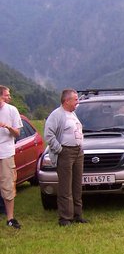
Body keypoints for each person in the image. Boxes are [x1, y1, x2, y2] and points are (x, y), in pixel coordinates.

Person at [44, 89, 88, 226]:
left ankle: (77, 214)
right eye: (75, 99)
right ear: (67, 101)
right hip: (65, 153)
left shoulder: (72, 114)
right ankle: (65, 218)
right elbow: (48, 135)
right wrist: (60, 149)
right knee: (65, 186)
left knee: (76, 185)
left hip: (77, 152)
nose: (77, 102)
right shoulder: (57, 115)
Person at [0, 85, 23, 229]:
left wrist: (8, 127)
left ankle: (10, 218)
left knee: (7, 186)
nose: (9, 97)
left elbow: (17, 133)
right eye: (7, 95)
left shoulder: (12, 110)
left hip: (6, 153)